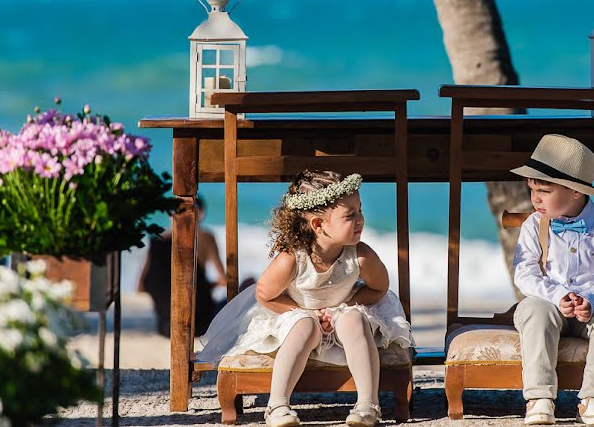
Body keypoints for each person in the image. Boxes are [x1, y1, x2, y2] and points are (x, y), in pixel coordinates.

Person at [197, 170, 413, 427]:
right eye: (350, 215)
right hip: (296, 313)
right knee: (305, 326)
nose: (360, 220)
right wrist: (303, 311)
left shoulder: (361, 256)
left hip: (341, 313)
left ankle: (368, 404)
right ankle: (277, 405)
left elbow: (380, 288)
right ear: (318, 225)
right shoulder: (292, 259)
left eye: (360, 211)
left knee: (353, 320)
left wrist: (344, 306)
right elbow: (263, 295)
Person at [510, 134, 594, 426]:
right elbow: (525, 272)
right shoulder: (533, 226)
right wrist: (557, 296)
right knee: (532, 309)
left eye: (544, 190)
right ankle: (539, 398)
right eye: (532, 189)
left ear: (576, 192)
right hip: (551, 304)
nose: (535, 198)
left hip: (593, 310)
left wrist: (593, 298)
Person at [137, 196, 228, 337]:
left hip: (166, 326)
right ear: (200, 212)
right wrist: (209, 285)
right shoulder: (204, 236)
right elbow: (224, 281)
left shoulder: (156, 241)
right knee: (248, 285)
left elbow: (140, 287)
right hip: (200, 324)